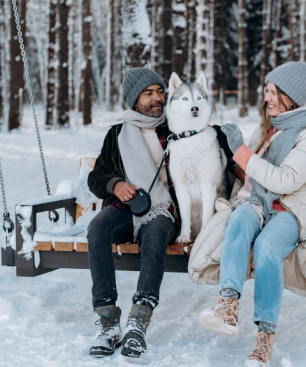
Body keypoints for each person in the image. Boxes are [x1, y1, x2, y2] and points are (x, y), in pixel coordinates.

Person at [194, 62, 306, 366]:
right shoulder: (270, 126)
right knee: (239, 219)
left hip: (292, 208)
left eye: (273, 92)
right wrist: (228, 150)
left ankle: (264, 338)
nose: (267, 99)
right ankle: (227, 306)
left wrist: (242, 151)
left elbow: (283, 180)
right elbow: (252, 174)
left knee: (267, 246)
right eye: (267, 92)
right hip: (259, 201)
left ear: (291, 97)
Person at [86, 67, 178, 359]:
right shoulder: (117, 134)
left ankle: (139, 320)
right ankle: (108, 322)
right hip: (127, 207)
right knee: (98, 228)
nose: (157, 99)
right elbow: (96, 177)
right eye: (148, 93)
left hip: (165, 210)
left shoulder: (177, 129)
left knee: (155, 235)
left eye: (160, 91)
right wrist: (116, 184)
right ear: (133, 99)